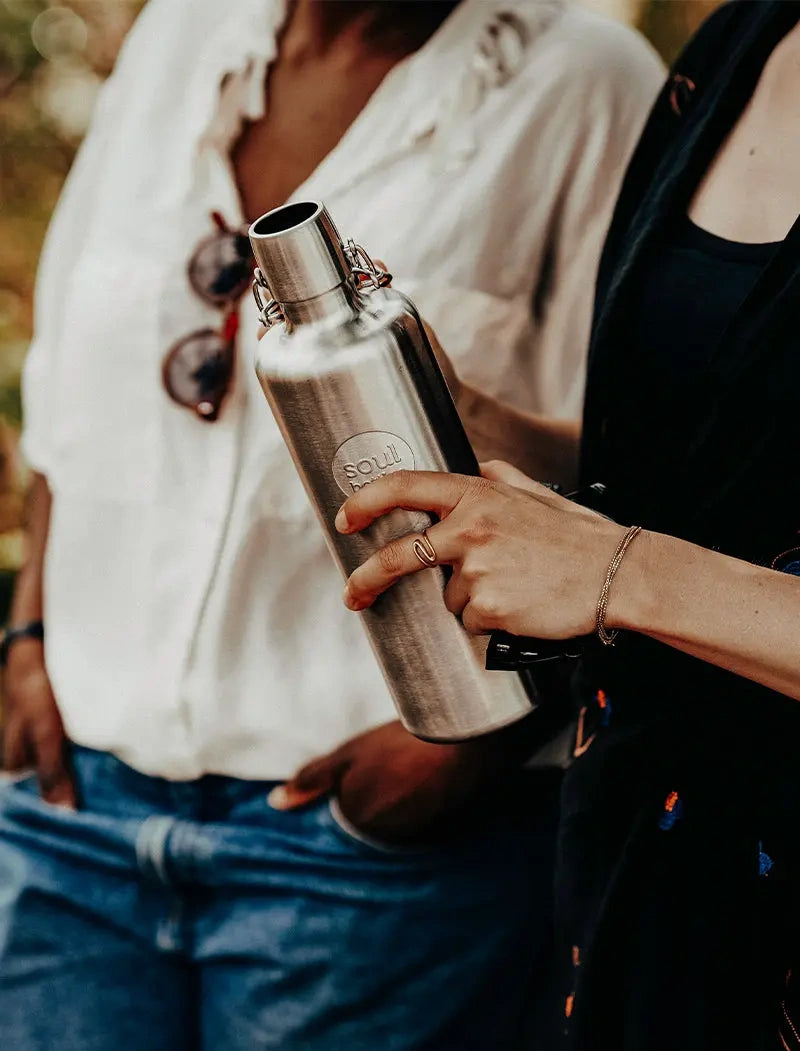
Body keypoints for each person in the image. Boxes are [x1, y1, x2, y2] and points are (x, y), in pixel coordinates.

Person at [0, 0, 663, 1048]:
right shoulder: (186, 35)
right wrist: (29, 636)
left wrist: (468, 752)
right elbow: (76, 373)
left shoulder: (586, 83)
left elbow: (641, 478)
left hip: (365, 853)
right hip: (72, 807)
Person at [324, 1, 800, 1047]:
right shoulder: (737, 48)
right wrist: (454, 414)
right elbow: (698, 469)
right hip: (643, 877)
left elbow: (632, 559)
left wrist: (617, 574)